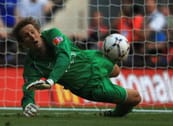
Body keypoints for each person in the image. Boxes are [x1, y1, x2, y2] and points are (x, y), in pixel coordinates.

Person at [12, 17, 141, 117]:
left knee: (117, 71)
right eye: (26, 36)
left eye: (32, 32)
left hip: (92, 59)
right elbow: (28, 88)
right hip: (90, 86)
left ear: (39, 32)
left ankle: (109, 77)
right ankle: (115, 114)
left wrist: (51, 80)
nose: (32, 36)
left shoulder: (53, 35)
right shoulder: (32, 65)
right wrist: (27, 104)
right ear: (22, 44)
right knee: (135, 98)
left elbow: (64, 56)